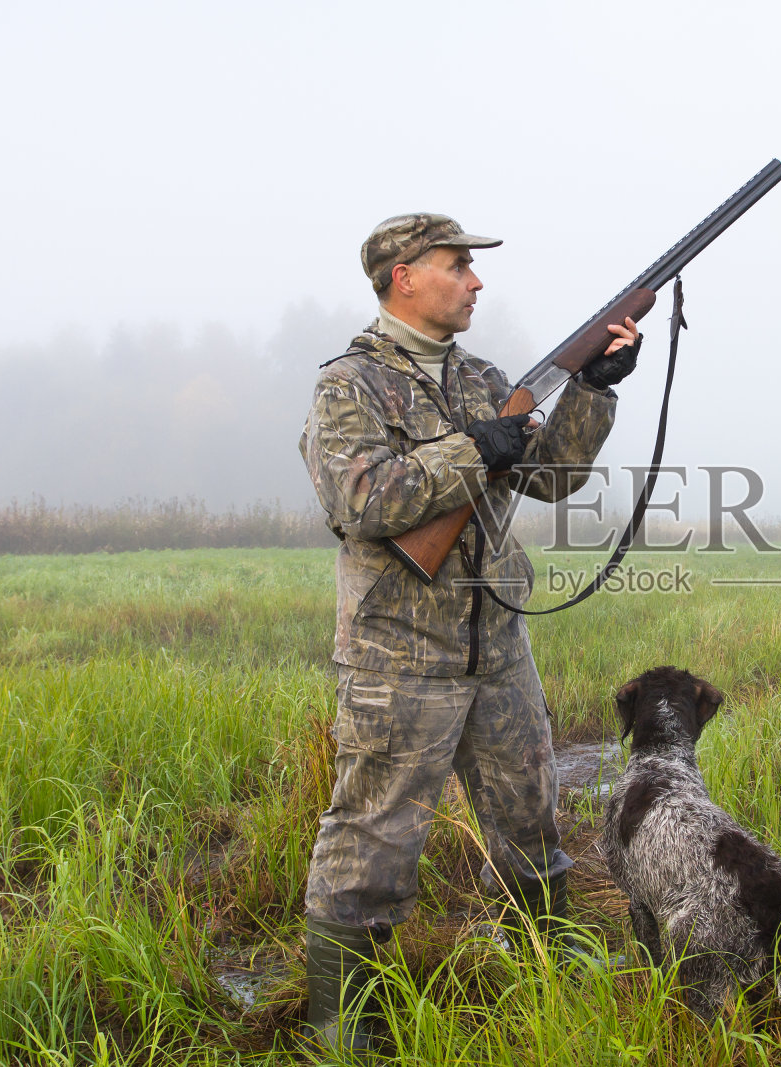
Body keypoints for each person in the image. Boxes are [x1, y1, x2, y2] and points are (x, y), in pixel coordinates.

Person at [297, 212, 640, 1051]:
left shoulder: (488, 378)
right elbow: (363, 501)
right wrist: (470, 448)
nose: (476, 281)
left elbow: (554, 478)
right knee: (372, 839)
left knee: (532, 818)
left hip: (499, 647)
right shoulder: (351, 385)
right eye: (459, 266)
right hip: (398, 657)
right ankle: (343, 1025)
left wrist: (595, 386)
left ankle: (549, 975)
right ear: (404, 275)